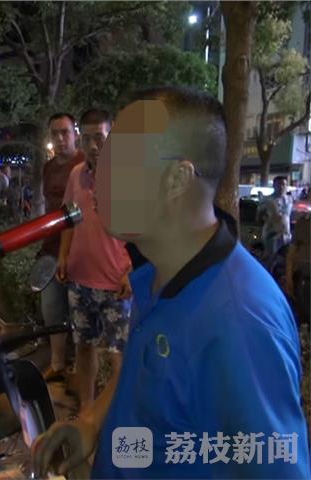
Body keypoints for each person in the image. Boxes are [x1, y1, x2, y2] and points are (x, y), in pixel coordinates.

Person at [32, 86, 310, 479]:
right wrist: (91, 423)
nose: (98, 173)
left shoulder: (240, 325)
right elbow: (147, 385)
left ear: (177, 178)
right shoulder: (156, 275)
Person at [58, 109, 132, 411]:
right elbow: (69, 219)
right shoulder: (76, 175)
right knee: (84, 348)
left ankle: (120, 416)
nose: (92, 146)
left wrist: (132, 271)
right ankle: (87, 411)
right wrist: (63, 256)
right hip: (80, 280)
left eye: (99, 137)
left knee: (119, 356)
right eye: (86, 138)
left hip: (116, 283)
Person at [40, 113, 84, 382]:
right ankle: (57, 364)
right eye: (54, 133)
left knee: (80, 313)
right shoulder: (48, 167)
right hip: (51, 248)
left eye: (65, 132)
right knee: (52, 308)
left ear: (75, 134)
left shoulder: (85, 164)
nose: (60, 138)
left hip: (81, 250)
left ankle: (80, 370)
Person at [256, 176, 293, 263]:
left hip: (286, 236)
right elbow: (258, 217)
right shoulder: (267, 200)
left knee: (285, 262)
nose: (281, 187)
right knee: (270, 261)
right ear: (274, 186)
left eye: (284, 184)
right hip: (272, 236)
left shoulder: (289, 199)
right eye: (279, 184)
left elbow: (290, 216)